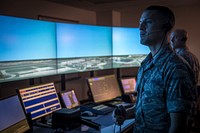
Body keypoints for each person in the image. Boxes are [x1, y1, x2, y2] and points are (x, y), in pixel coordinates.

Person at [113, 5, 195, 133]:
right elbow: (144, 107)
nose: (140, 28)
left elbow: (178, 127)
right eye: (140, 23)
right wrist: (126, 113)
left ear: (166, 27)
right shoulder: (146, 64)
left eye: (148, 22)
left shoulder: (176, 68)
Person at [170, 29, 200, 132]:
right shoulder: (193, 56)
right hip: (192, 104)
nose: (171, 40)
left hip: (183, 107)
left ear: (182, 39)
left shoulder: (181, 58)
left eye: (174, 37)